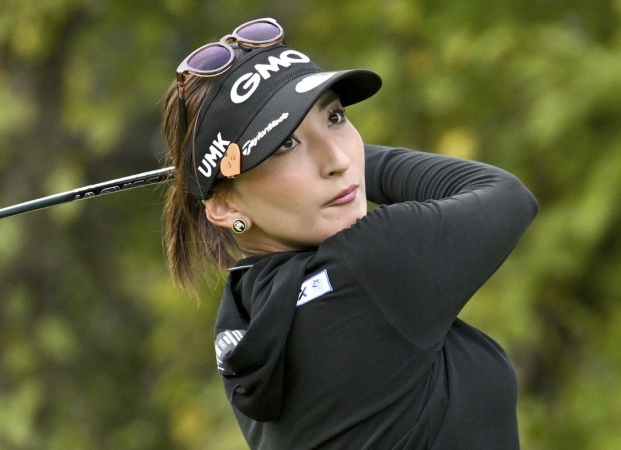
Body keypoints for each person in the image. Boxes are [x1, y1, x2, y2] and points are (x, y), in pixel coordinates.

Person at [161, 18, 538, 450]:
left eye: (335, 117)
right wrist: (356, 168)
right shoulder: (372, 265)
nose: (336, 158)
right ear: (226, 206)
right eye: (284, 144)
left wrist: (335, 163)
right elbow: (506, 196)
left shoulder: (244, 315)